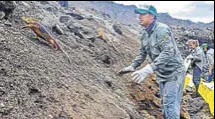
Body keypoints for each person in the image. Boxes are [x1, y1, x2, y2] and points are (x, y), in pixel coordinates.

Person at [118, 5, 185, 119]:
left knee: (170, 105)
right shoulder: (145, 33)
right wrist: (133, 66)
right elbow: (142, 53)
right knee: (165, 106)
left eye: (143, 14)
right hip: (162, 73)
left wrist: (149, 69)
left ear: (152, 16)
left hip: (174, 72)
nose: (139, 17)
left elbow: (168, 52)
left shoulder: (162, 30)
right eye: (139, 14)